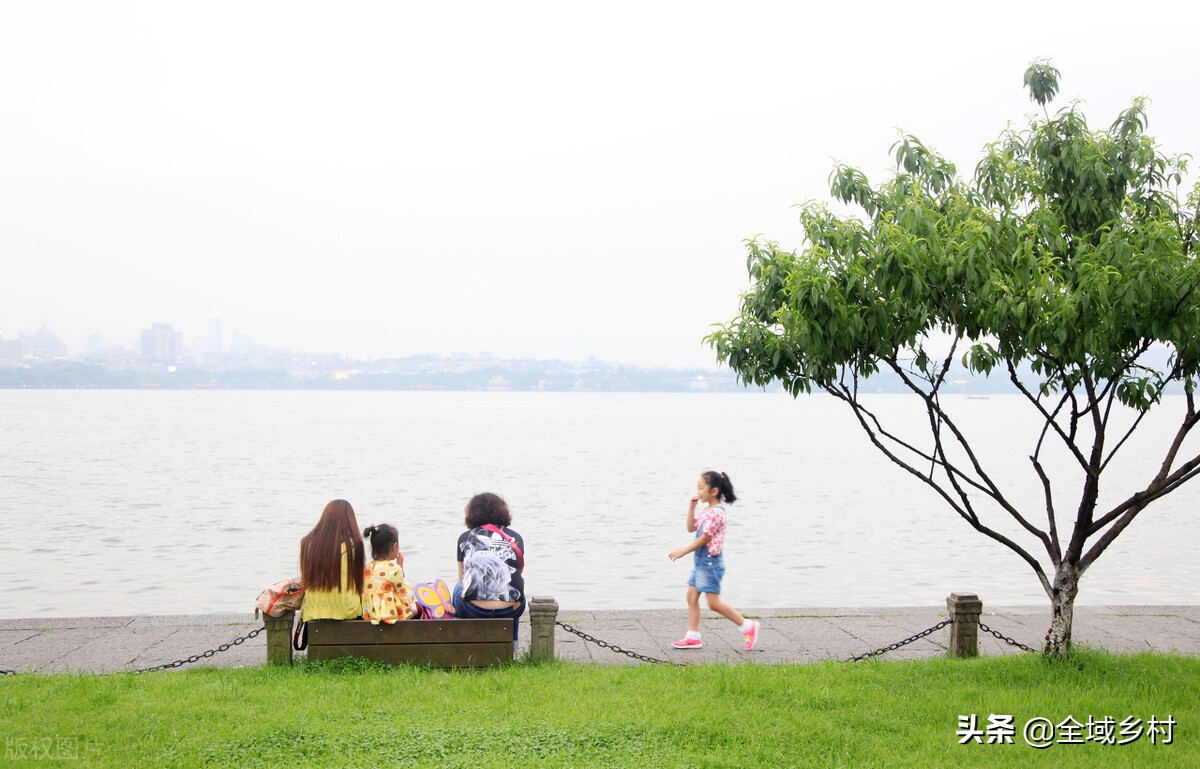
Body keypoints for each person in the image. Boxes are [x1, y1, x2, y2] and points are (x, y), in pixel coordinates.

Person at [668, 471, 760, 651]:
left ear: (714, 491)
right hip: (701, 562)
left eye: (701, 488)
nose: (698, 491)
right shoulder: (706, 511)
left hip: (710, 564)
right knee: (691, 596)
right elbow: (690, 528)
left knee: (713, 603)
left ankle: (747, 626)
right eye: (698, 488)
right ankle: (693, 636)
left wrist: (682, 552)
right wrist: (691, 508)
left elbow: (705, 538)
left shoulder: (717, 513)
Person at [453, 492, 526, 641]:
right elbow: (516, 574)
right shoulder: (515, 537)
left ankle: (465, 639)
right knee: (515, 591)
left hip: (474, 610)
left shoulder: (465, 538)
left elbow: (462, 579)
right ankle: (512, 643)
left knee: (457, 588)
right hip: (509, 611)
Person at [299, 499, 365, 622]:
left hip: (314, 609)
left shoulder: (307, 543)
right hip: (347, 609)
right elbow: (359, 583)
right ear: (350, 520)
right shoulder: (354, 544)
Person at [361, 523, 417, 624]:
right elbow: (407, 596)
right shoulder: (394, 569)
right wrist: (401, 568)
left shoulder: (366, 568)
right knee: (414, 607)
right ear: (395, 546)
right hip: (390, 616)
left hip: (370, 615)